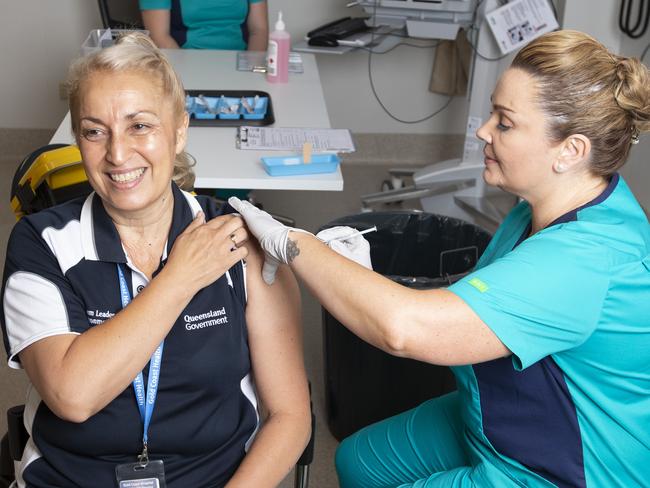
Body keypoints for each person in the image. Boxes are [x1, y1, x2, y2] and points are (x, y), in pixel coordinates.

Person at [230, 29, 650, 487]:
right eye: (492, 112)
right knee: (356, 461)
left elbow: (405, 330)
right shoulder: (543, 205)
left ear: (570, 151)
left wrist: (294, 243)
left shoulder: (584, 260)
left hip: (553, 468)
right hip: (502, 411)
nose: (483, 130)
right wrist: (362, 279)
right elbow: (483, 308)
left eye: (505, 123)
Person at [0, 33, 309, 487]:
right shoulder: (41, 242)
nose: (117, 154)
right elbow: (73, 395)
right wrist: (180, 276)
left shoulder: (240, 237)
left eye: (139, 126)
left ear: (179, 128)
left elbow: (289, 415)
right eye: (94, 131)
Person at [140, 0, 269, 51]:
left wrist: (252, 70)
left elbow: (258, 30)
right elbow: (159, 37)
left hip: (239, 64)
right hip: (185, 64)